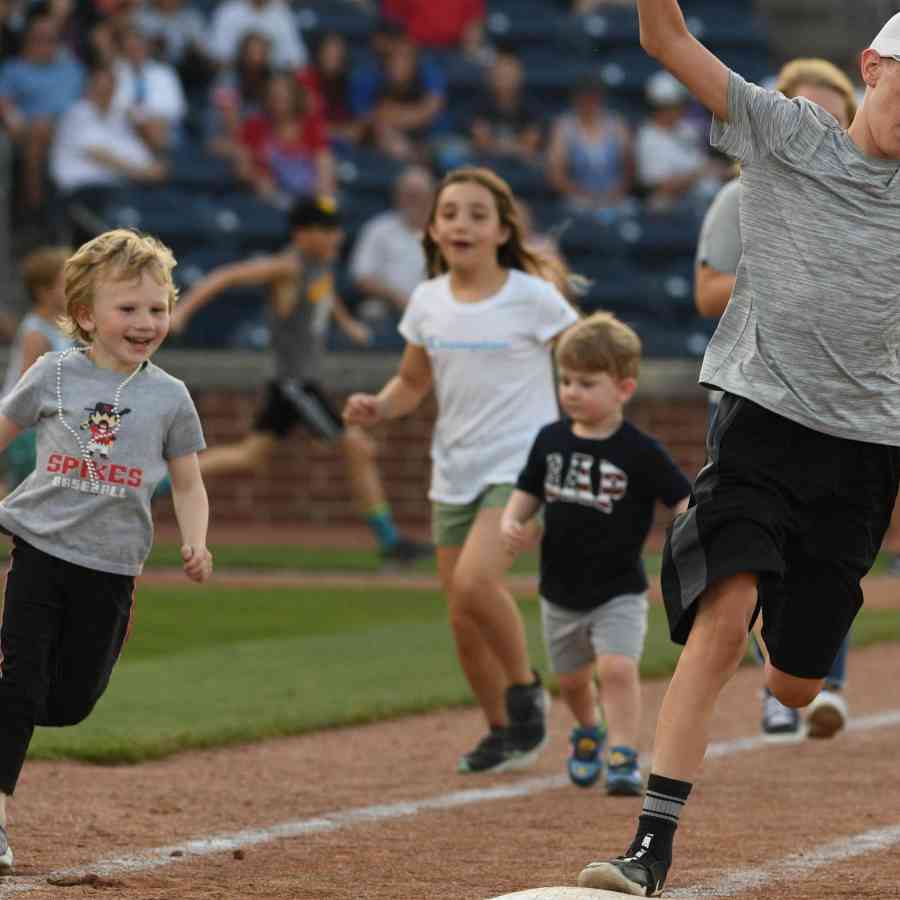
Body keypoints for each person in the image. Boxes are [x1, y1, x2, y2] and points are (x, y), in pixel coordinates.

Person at [579, 4, 900, 896]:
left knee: (796, 687)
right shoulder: (788, 133)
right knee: (723, 618)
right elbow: (665, 42)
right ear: (873, 66)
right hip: (760, 423)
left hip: (869, 452)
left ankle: (785, 630)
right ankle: (651, 845)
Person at [343, 167, 580, 773]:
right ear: (434, 228)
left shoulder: (533, 297)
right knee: (460, 612)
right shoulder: (426, 300)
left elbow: (587, 357)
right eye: (450, 214)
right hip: (453, 469)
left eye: (477, 215)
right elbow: (414, 382)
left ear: (503, 231)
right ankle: (504, 731)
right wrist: (381, 406)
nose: (461, 225)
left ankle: (525, 691)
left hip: (523, 466)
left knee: (478, 582)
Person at [0, 228, 212, 873]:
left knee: (67, 703)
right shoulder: (52, 373)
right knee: (20, 686)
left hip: (112, 568)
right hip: (38, 550)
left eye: (158, 308)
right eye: (128, 309)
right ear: (86, 314)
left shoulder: (170, 397)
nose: (146, 322)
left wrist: (196, 539)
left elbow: (188, 481)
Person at [694, 56, 859, 746]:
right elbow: (707, 291)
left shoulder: (876, 197)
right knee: (755, 553)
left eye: (831, 114)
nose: (816, 126)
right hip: (758, 393)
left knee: (833, 550)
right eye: (802, 110)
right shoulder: (742, 197)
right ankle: (778, 695)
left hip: (846, 403)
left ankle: (824, 685)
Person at [171, 195, 432, 566]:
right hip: (296, 384)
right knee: (357, 446)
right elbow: (226, 276)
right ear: (302, 233)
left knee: (250, 455)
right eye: (325, 230)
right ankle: (391, 542)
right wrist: (182, 312)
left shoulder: (319, 266)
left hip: (294, 385)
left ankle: (157, 483)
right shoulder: (287, 267)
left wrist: (348, 325)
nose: (334, 237)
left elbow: (325, 296)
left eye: (336, 229)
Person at [501, 312, 690, 795]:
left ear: (623, 389)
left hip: (619, 589)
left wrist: (697, 525)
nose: (571, 392)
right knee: (571, 682)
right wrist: (511, 520)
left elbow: (680, 497)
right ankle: (588, 731)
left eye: (586, 383)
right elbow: (528, 490)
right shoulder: (551, 439)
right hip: (559, 589)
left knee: (617, 668)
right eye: (565, 380)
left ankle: (624, 754)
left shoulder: (640, 450)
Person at [0, 246, 71, 495]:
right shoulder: (36, 333)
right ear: (44, 292)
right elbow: (28, 388)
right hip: (27, 430)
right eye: (66, 284)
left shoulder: (65, 326)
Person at [545, 74, 634, 223]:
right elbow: (556, 175)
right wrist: (582, 194)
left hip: (614, 197)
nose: (589, 102)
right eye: (585, 97)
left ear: (600, 98)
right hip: (578, 198)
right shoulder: (564, 126)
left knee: (629, 212)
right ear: (576, 98)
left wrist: (617, 192)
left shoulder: (616, 124)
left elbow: (630, 167)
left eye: (593, 97)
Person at [349, 164, 433, 315]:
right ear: (397, 196)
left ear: (431, 197)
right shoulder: (378, 228)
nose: (412, 201)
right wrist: (397, 298)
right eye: (407, 195)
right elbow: (362, 277)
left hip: (435, 310)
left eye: (418, 195)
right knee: (372, 311)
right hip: (389, 307)